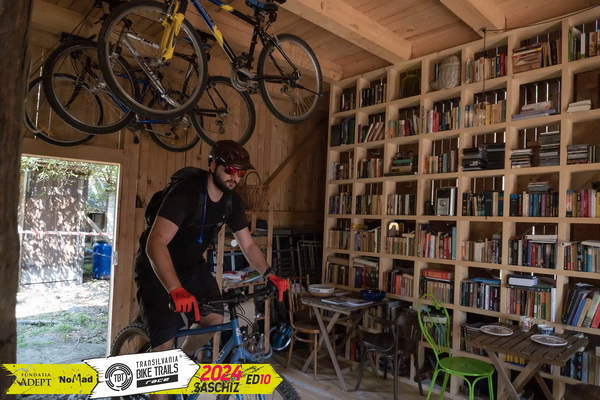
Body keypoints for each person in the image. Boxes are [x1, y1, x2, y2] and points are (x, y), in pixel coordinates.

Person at [133, 140, 288, 398]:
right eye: (229, 169)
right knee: (162, 348)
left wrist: (269, 274)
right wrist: (175, 289)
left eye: (240, 172)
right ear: (213, 166)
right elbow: (155, 243)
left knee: (214, 318)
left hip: (191, 266)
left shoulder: (232, 202)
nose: (235, 177)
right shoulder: (187, 193)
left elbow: (248, 244)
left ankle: (181, 362)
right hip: (157, 266)